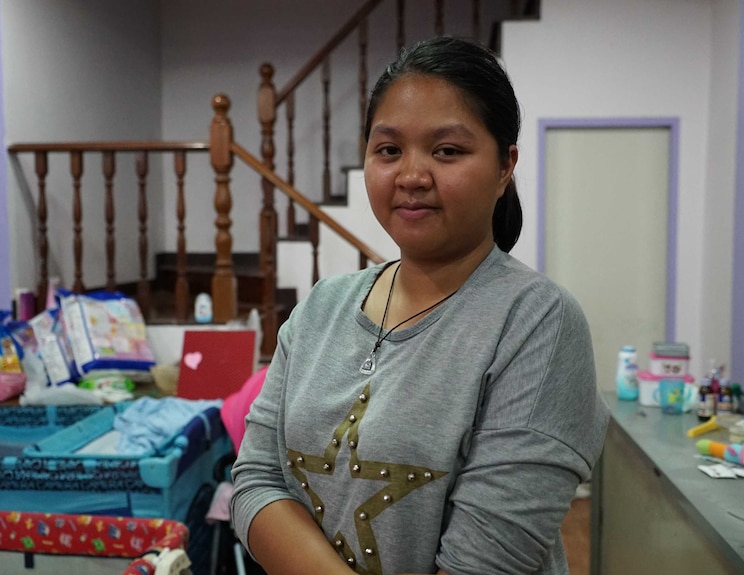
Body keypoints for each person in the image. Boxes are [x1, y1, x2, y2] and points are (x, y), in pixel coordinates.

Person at [230, 36, 610, 575]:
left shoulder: (537, 322)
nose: (412, 176)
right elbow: (257, 480)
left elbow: (485, 562)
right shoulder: (322, 307)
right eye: (389, 150)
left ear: (505, 166)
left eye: (448, 150)